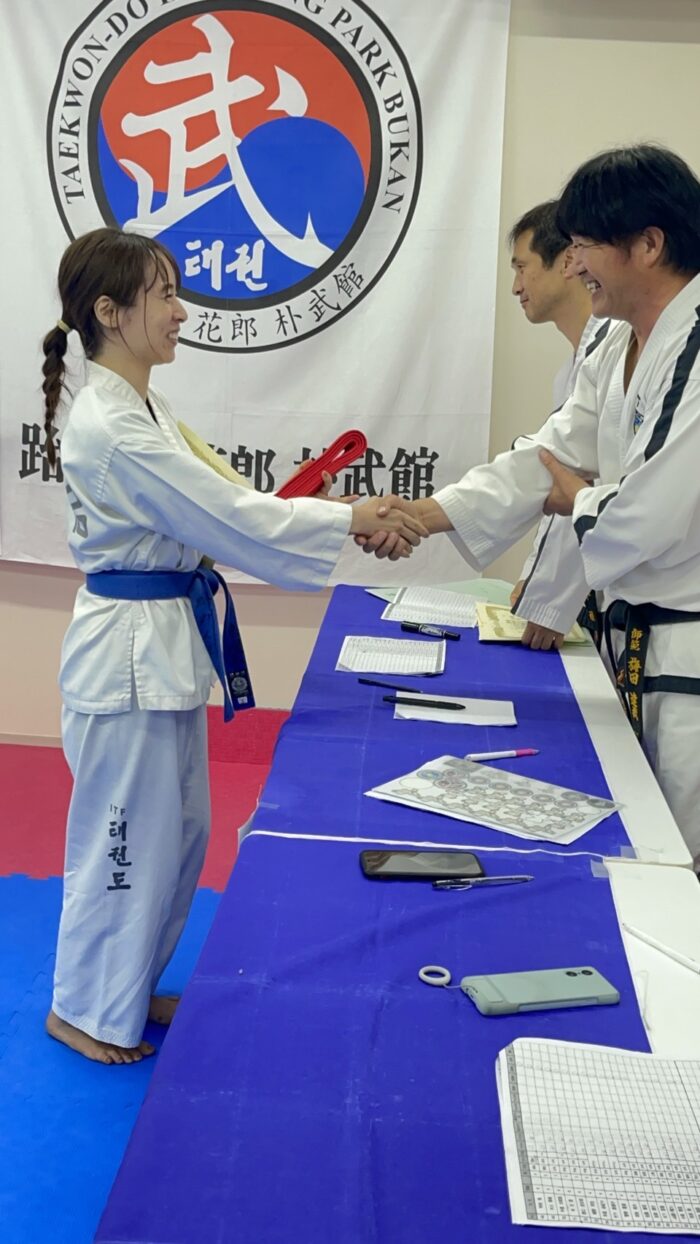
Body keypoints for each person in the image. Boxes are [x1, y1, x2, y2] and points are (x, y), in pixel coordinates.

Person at [43, 227, 427, 1065]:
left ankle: (128, 988)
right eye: (165, 296)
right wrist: (348, 519)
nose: (181, 313)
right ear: (109, 312)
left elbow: (224, 501)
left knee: (177, 836)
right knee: (121, 841)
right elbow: (229, 517)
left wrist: (326, 509)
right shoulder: (114, 427)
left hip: (157, 646)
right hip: (125, 660)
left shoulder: (144, 410)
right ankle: (82, 1009)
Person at [365, 145, 700, 857]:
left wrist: (580, 500)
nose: (575, 266)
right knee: (644, 845)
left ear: (649, 245)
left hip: (686, 644)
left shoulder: (695, 345)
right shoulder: (616, 344)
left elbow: (648, 517)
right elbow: (546, 457)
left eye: (585, 246)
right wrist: (426, 515)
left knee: (684, 856)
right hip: (635, 636)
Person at [508, 200, 611, 651]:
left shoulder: (613, 352)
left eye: (522, 267)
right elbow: (560, 487)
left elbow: (585, 489)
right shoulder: (571, 370)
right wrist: (534, 580)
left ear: (569, 260)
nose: (516, 287)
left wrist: (547, 600)